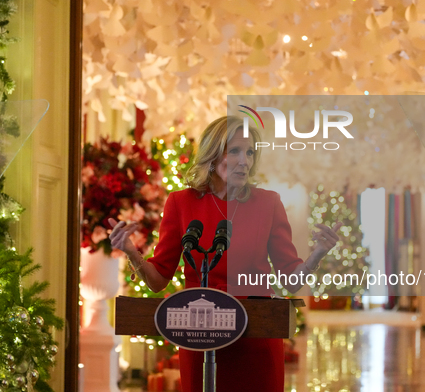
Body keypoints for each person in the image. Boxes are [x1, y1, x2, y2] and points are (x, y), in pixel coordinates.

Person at [109, 116, 342, 392]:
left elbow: (291, 280)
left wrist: (316, 255)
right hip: (199, 335)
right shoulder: (180, 203)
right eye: (234, 151)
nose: (245, 160)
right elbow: (159, 278)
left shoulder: (268, 203)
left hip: (255, 337)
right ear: (212, 154)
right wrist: (131, 252)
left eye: (250, 152)